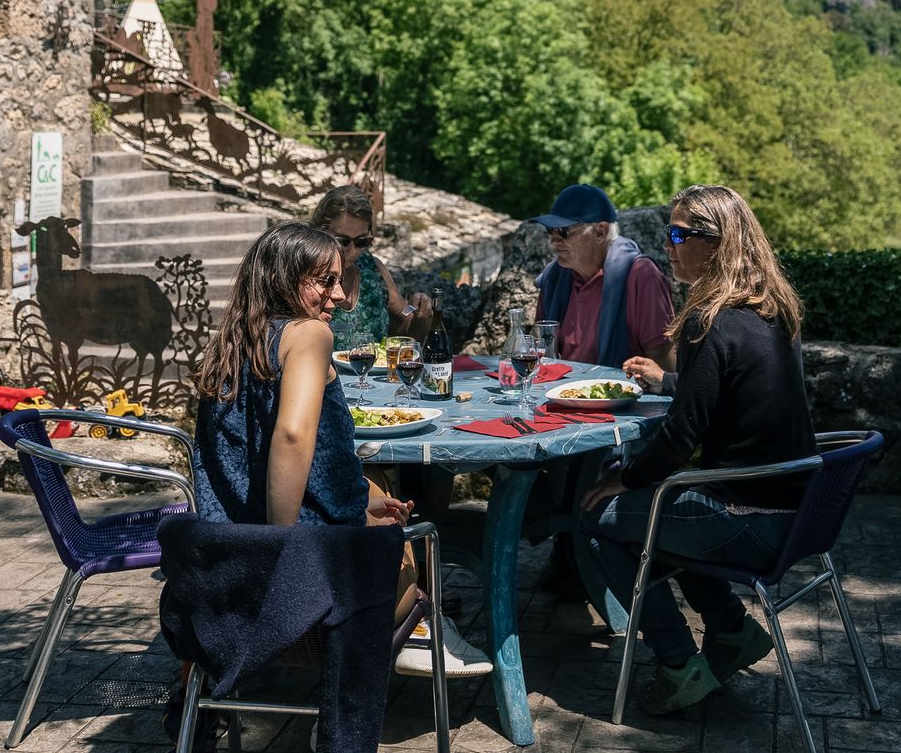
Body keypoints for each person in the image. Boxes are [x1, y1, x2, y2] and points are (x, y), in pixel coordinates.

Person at [186, 221, 490, 683]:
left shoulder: (229, 346)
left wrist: (360, 499)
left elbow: (249, 457)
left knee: (379, 500)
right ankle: (418, 635)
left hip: (224, 567)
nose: (341, 297)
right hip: (306, 584)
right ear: (283, 280)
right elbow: (291, 437)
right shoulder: (308, 334)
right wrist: (280, 546)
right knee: (416, 551)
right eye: (325, 281)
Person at [580, 184, 816, 716]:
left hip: (749, 520)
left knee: (601, 519)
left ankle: (678, 665)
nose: (668, 245)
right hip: (799, 513)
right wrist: (669, 380)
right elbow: (726, 390)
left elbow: (680, 439)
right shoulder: (770, 306)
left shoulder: (707, 320)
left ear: (715, 243)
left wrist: (627, 479)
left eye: (678, 234)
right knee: (662, 510)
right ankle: (731, 633)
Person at [531, 183, 674, 369]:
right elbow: (539, 350)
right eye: (551, 230)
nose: (553, 241)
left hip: (621, 394)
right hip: (563, 392)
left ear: (600, 232)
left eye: (564, 231)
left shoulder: (642, 277)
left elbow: (665, 365)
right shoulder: (554, 278)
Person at [309, 185, 432, 352]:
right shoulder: (307, 277)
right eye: (342, 241)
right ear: (319, 231)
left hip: (371, 375)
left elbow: (406, 327)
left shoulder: (372, 268)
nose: (352, 250)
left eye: (362, 242)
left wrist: (421, 313)